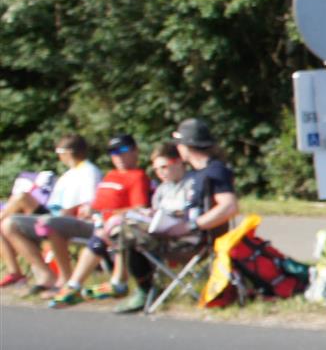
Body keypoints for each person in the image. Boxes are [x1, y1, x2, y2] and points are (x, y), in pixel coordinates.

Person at [114, 119, 239, 314]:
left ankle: (144, 289)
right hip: (182, 233)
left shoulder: (215, 171)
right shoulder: (199, 172)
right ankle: (143, 287)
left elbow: (229, 206)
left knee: (128, 229)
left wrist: (191, 225)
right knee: (129, 222)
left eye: (179, 144)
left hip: (193, 240)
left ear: (186, 146)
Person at [47, 134, 150, 306]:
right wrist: (85, 209)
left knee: (106, 234)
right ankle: (70, 284)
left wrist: (110, 213)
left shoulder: (137, 176)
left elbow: (140, 208)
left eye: (123, 150)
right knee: (49, 225)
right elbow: (96, 203)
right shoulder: (110, 175)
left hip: (117, 226)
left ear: (135, 151)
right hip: (94, 222)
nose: (118, 156)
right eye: (113, 152)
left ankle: (86, 285)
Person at [0, 135, 100, 294]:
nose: (58, 156)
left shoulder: (89, 172)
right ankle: (42, 274)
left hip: (68, 219)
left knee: (20, 200)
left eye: (59, 152)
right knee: (7, 224)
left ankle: (28, 274)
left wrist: (69, 210)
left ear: (68, 152)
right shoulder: (69, 174)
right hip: (53, 215)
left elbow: (90, 202)